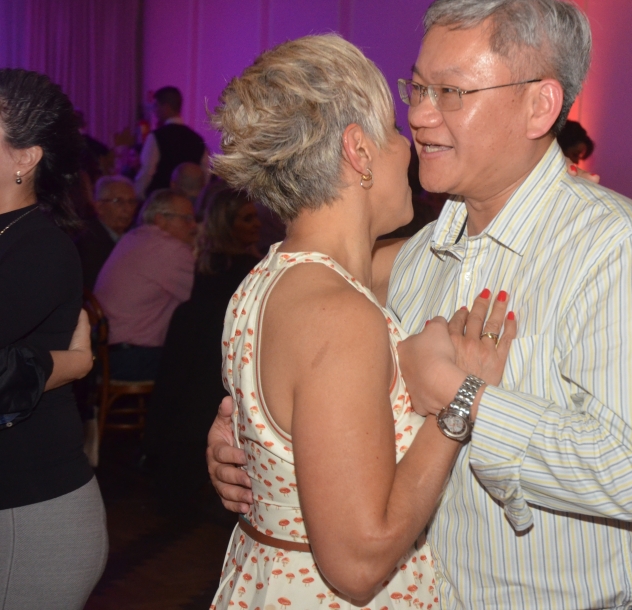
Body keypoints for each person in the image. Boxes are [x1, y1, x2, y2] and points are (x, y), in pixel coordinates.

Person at [209, 0, 632, 609]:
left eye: (452, 92)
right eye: (418, 88)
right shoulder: (418, 257)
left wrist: (462, 399)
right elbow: (347, 407)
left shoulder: (616, 246)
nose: (418, 114)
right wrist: (266, 448)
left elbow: (629, 474)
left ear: (540, 106)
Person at [205, 34, 509, 610]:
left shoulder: (267, 279)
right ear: (358, 151)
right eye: (392, 131)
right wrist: (461, 400)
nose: (408, 143)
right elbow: (359, 563)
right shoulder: (338, 314)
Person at [0, 67, 108, 609]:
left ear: (25, 158)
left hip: (28, 515)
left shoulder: (40, 247)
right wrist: (66, 363)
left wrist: (62, 365)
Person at [142, 188, 260, 510]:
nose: (257, 224)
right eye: (247, 218)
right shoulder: (248, 268)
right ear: (227, 224)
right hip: (216, 352)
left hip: (195, 349)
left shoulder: (206, 262)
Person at [93, 188, 196, 380]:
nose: (193, 226)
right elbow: (201, 299)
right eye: (186, 219)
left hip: (105, 355)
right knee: (207, 362)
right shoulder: (170, 249)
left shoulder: (132, 238)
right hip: (133, 359)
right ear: (160, 220)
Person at [135, 86, 209, 197]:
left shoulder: (157, 136)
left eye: (156, 105)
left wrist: (138, 195)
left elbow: (146, 171)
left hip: (161, 198)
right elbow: (205, 174)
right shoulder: (197, 139)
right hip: (189, 201)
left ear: (166, 107)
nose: (155, 111)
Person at [74, 175, 139, 291]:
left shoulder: (135, 237)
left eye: (131, 202)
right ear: (99, 207)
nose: (128, 209)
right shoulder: (88, 242)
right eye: (118, 202)